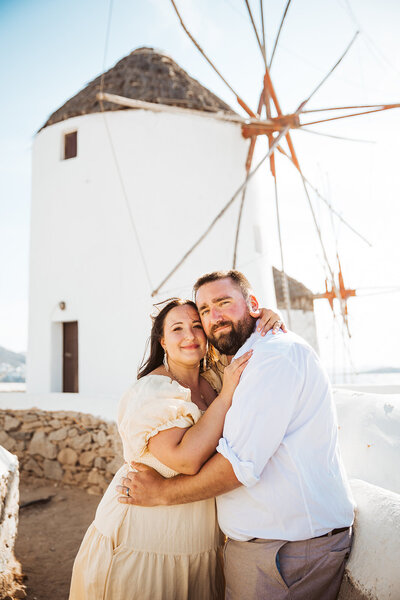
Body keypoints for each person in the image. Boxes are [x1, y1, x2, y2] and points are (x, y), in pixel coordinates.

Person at [119, 270, 355, 600]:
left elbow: (235, 467)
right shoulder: (234, 365)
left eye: (224, 303)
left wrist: (161, 493)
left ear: (253, 305)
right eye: (204, 311)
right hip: (244, 545)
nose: (212, 318)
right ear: (162, 341)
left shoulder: (265, 360)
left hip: (285, 551)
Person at [69, 297, 283, 600]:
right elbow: (186, 460)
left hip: (198, 538)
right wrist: (225, 399)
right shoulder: (153, 391)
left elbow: (240, 334)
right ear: (163, 342)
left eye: (197, 326)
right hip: (146, 537)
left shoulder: (214, 380)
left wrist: (263, 316)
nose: (190, 335)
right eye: (177, 328)